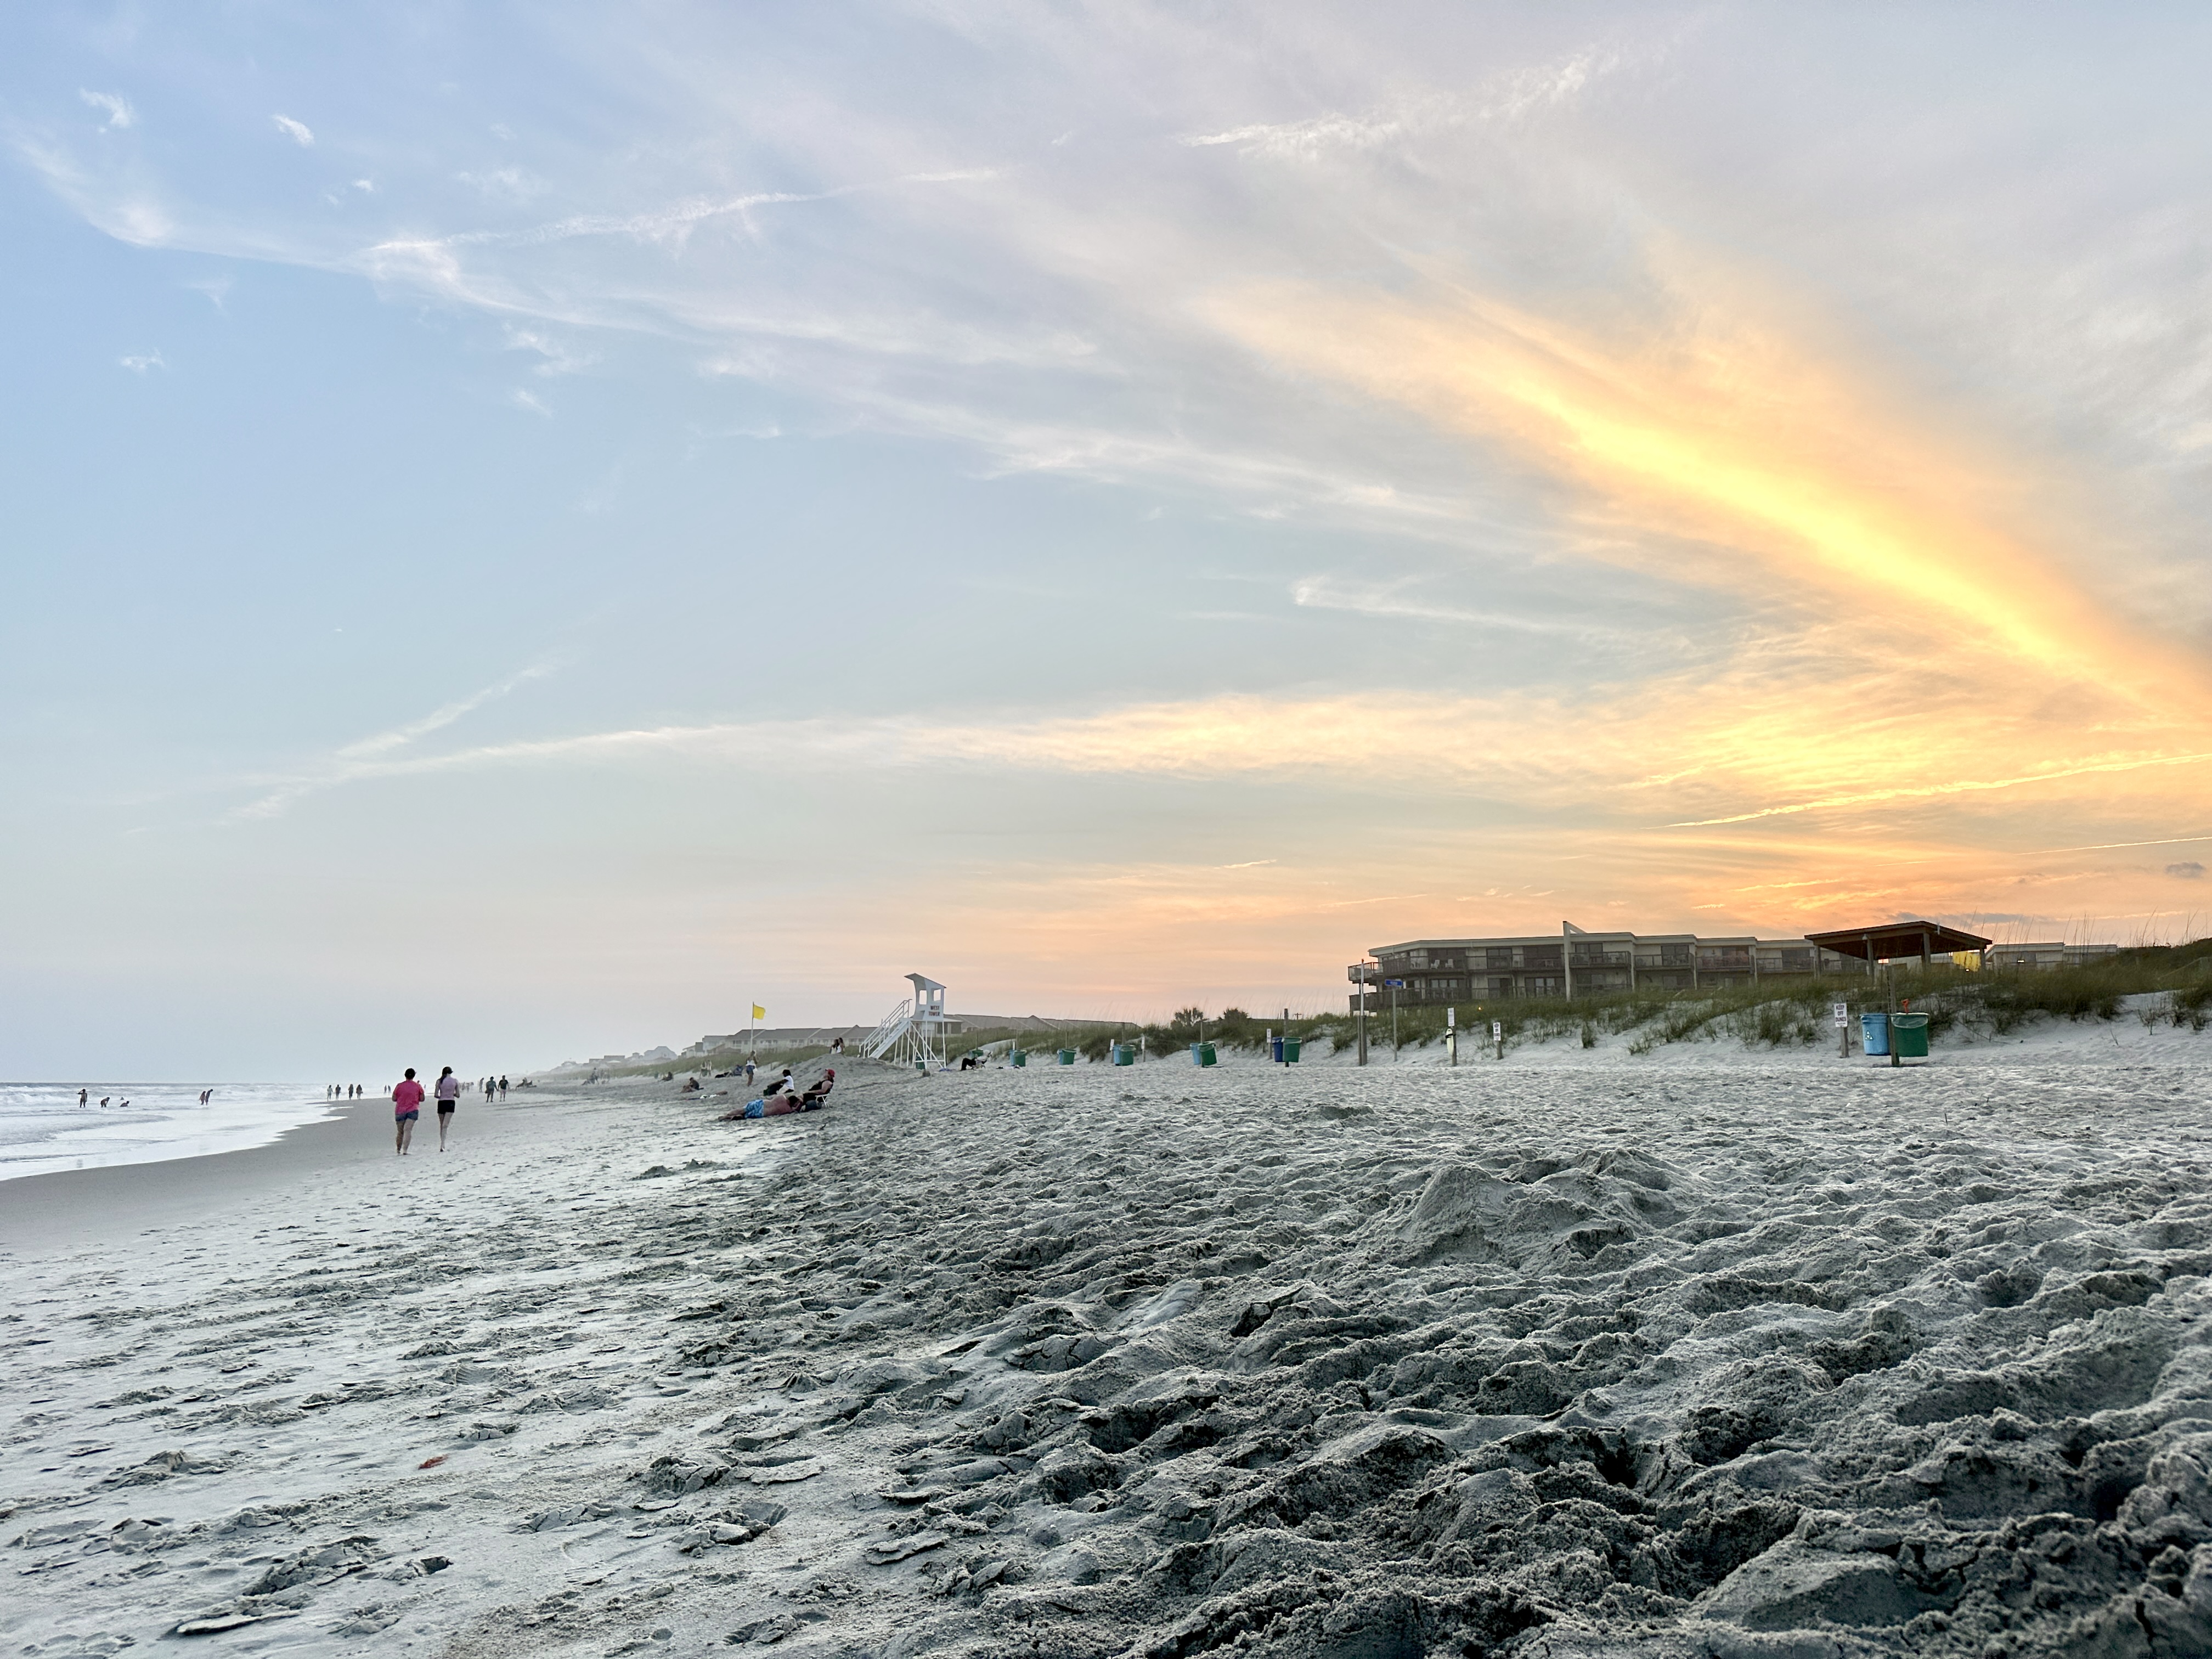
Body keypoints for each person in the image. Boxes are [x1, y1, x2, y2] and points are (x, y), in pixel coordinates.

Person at [393, 1068, 425, 1155]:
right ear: (414, 1076)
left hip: (400, 1110)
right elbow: (422, 1099)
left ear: (405, 1075)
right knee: (408, 1130)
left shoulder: (399, 1086)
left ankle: (398, 1149)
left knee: (401, 1132)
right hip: (413, 1110)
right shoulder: (418, 1086)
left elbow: (394, 1098)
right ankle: (405, 1150)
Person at [434, 1066, 460, 1150]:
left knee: (442, 1125)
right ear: (451, 1073)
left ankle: (442, 1144)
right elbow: (458, 1095)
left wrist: (443, 1096)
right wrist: (452, 1094)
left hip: (441, 1103)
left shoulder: (439, 1081)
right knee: (445, 1125)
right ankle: (443, 1145)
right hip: (450, 1103)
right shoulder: (455, 1081)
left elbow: (436, 1095)